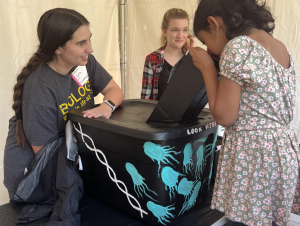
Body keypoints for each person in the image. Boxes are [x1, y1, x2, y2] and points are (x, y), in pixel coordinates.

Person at [189, 0, 299, 226]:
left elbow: (224, 116)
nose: (208, 48)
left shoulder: (237, 47)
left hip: (255, 159)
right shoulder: (280, 46)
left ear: (213, 24)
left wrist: (208, 69)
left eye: (205, 40)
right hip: (282, 153)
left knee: (245, 222)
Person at [4, 8, 124, 199]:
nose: (90, 49)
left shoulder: (85, 63)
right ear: (57, 48)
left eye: (89, 39)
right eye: (81, 43)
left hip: (68, 164)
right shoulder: (39, 87)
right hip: (35, 180)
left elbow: (115, 91)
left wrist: (106, 106)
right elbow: (45, 154)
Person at [141, 8, 195, 100]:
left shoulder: (194, 59)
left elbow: (197, 93)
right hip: (159, 114)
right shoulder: (152, 59)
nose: (181, 35)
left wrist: (191, 55)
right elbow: (145, 100)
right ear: (165, 32)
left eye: (185, 30)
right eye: (175, 30)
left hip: (187, 114)